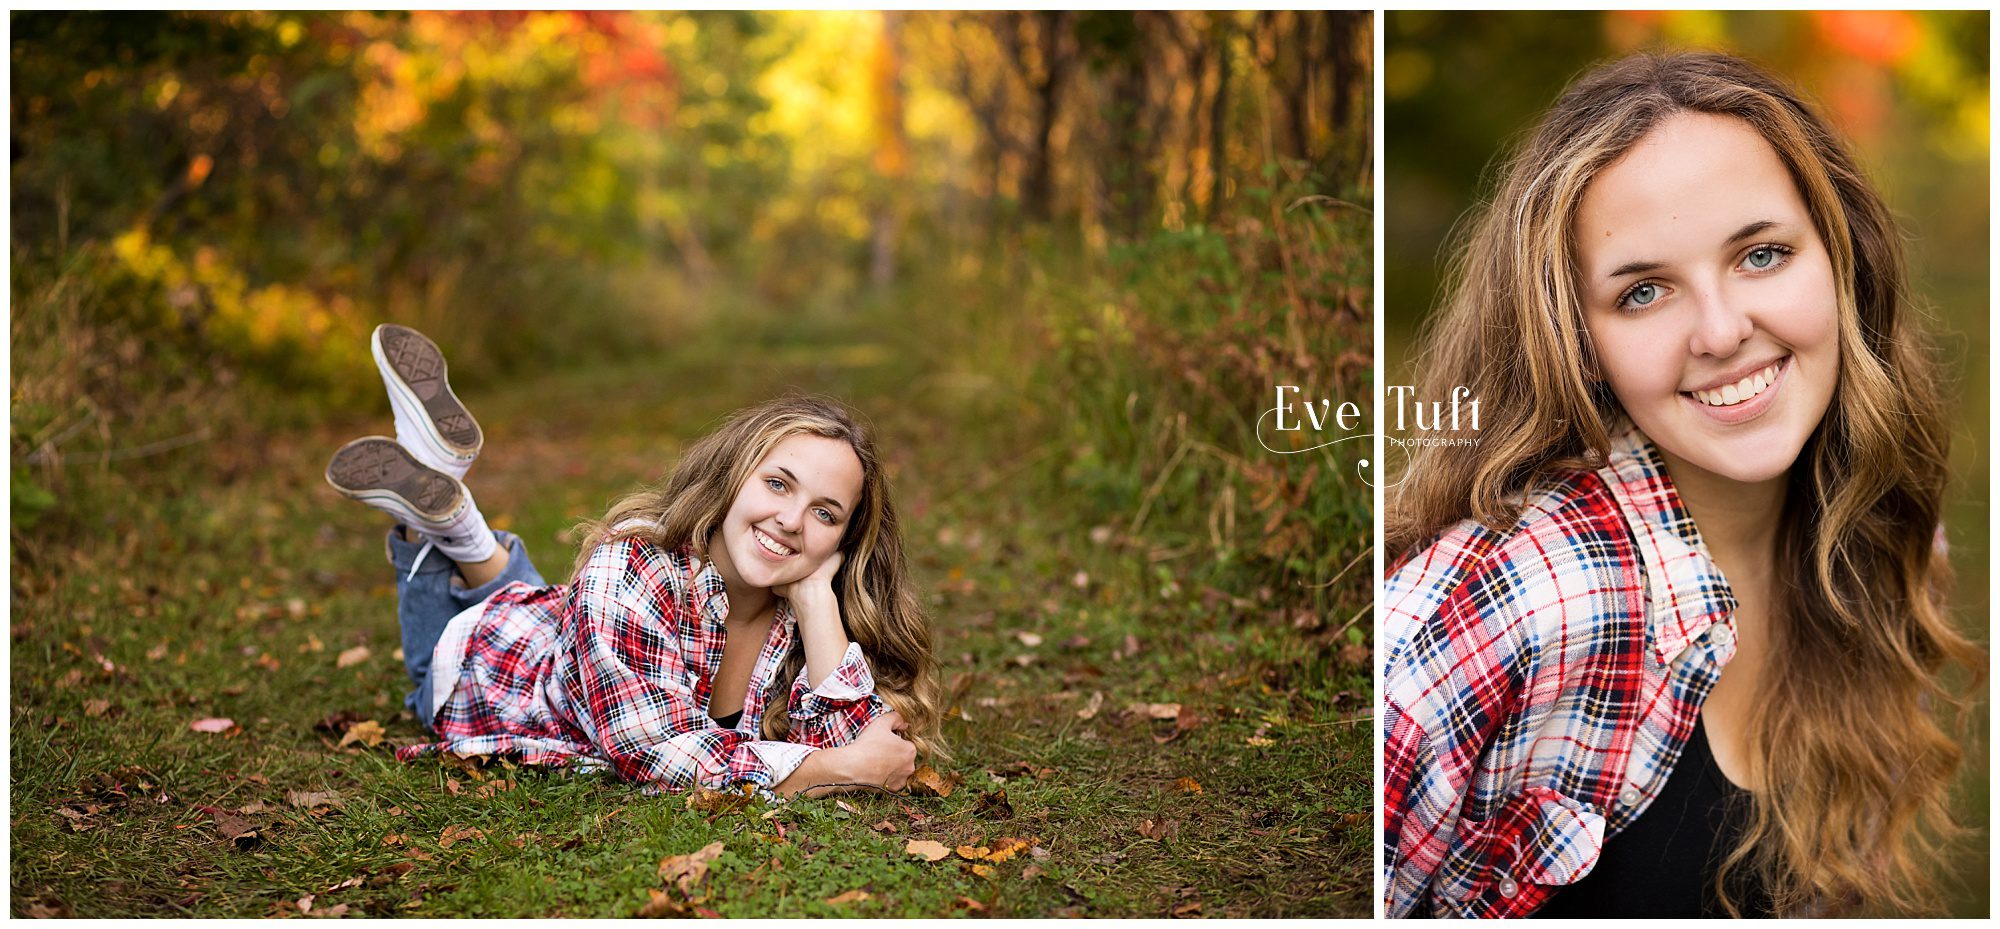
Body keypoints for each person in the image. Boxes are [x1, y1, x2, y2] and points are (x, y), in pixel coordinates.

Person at [1381, 51, 1981, 917]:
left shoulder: (1884, 540)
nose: (1721, 329)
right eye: (1644, 292)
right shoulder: (1515, 594)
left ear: (1845, 255)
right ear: (1572, 340)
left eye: (1763, 254)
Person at [325, 324, 938, 798]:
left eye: (825, 514)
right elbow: (652, 751)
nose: (792, 521)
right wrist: (832, 770)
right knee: (440, 664)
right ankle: (436, 520)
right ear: (731, 478)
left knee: (564, 610)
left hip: (571, 628)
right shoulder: (631, 566)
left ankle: (452, 505)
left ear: (844, 540)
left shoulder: (808, 607)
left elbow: (864, 752)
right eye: (778, 485)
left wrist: (816, 606)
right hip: (482, 664)